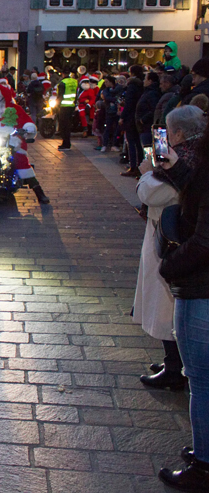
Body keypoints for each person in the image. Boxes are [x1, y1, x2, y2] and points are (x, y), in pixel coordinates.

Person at [133, 106, 205, 393]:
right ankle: (174, 362)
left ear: (177, 133)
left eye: (169, 131)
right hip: (176, 235)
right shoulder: (195, 153)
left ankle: (175, 367)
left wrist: (146, 173)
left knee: (166, 305)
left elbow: (151, 192)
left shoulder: (181, 161)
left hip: (173, 240)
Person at [157, 116, 209, 490]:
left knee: (202, 381)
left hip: (202, 288)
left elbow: (205, 241)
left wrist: (170, 266)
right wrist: (177, 173)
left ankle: (204, 465)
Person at [0, 84, 50, 204]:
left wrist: (28, 128)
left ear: (2, 97)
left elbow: (26, 120)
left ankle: (38, 191)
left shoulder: (14, 109)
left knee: (20, 160)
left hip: (10, 140)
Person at [120, 71, 145, 178]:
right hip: (137, 117)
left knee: (132, 143)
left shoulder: (131, 87)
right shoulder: (142, 86)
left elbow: (129, 103)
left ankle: (134, 166)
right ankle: (139, 166)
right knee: (138, 143)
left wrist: (122, 116)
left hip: (131, 118)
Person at [136, 71, 162, 147]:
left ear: (150, 81)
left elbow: (154, 109)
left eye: (145, 79)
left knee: (148, 148)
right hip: (144, 127)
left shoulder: (152, 93)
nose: (144, 81)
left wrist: (143, 120)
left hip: (147, 127)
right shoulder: (148, 92)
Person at [57, 72, 78, 150]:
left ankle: (65, 143)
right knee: (68, 125)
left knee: (63, 126)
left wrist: (57, 106)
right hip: (71, 106)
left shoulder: (62, 83)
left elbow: (60, 96)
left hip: (63, 107)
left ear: (63, 74)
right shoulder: (74, 81)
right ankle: (67, 143)